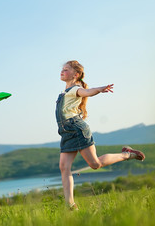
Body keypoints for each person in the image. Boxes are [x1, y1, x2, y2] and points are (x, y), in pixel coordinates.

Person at [55, 60, 145, 211]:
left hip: (77, 130)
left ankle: (127, 154)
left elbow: (88, 92)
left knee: (95, 164)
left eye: (66, 70)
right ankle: (70, 205)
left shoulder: (75, 89)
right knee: (64, 167)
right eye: (62, 69)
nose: (62, 71)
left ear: (76, 74)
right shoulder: (64, 92)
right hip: (66, 133)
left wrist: (100, 89)